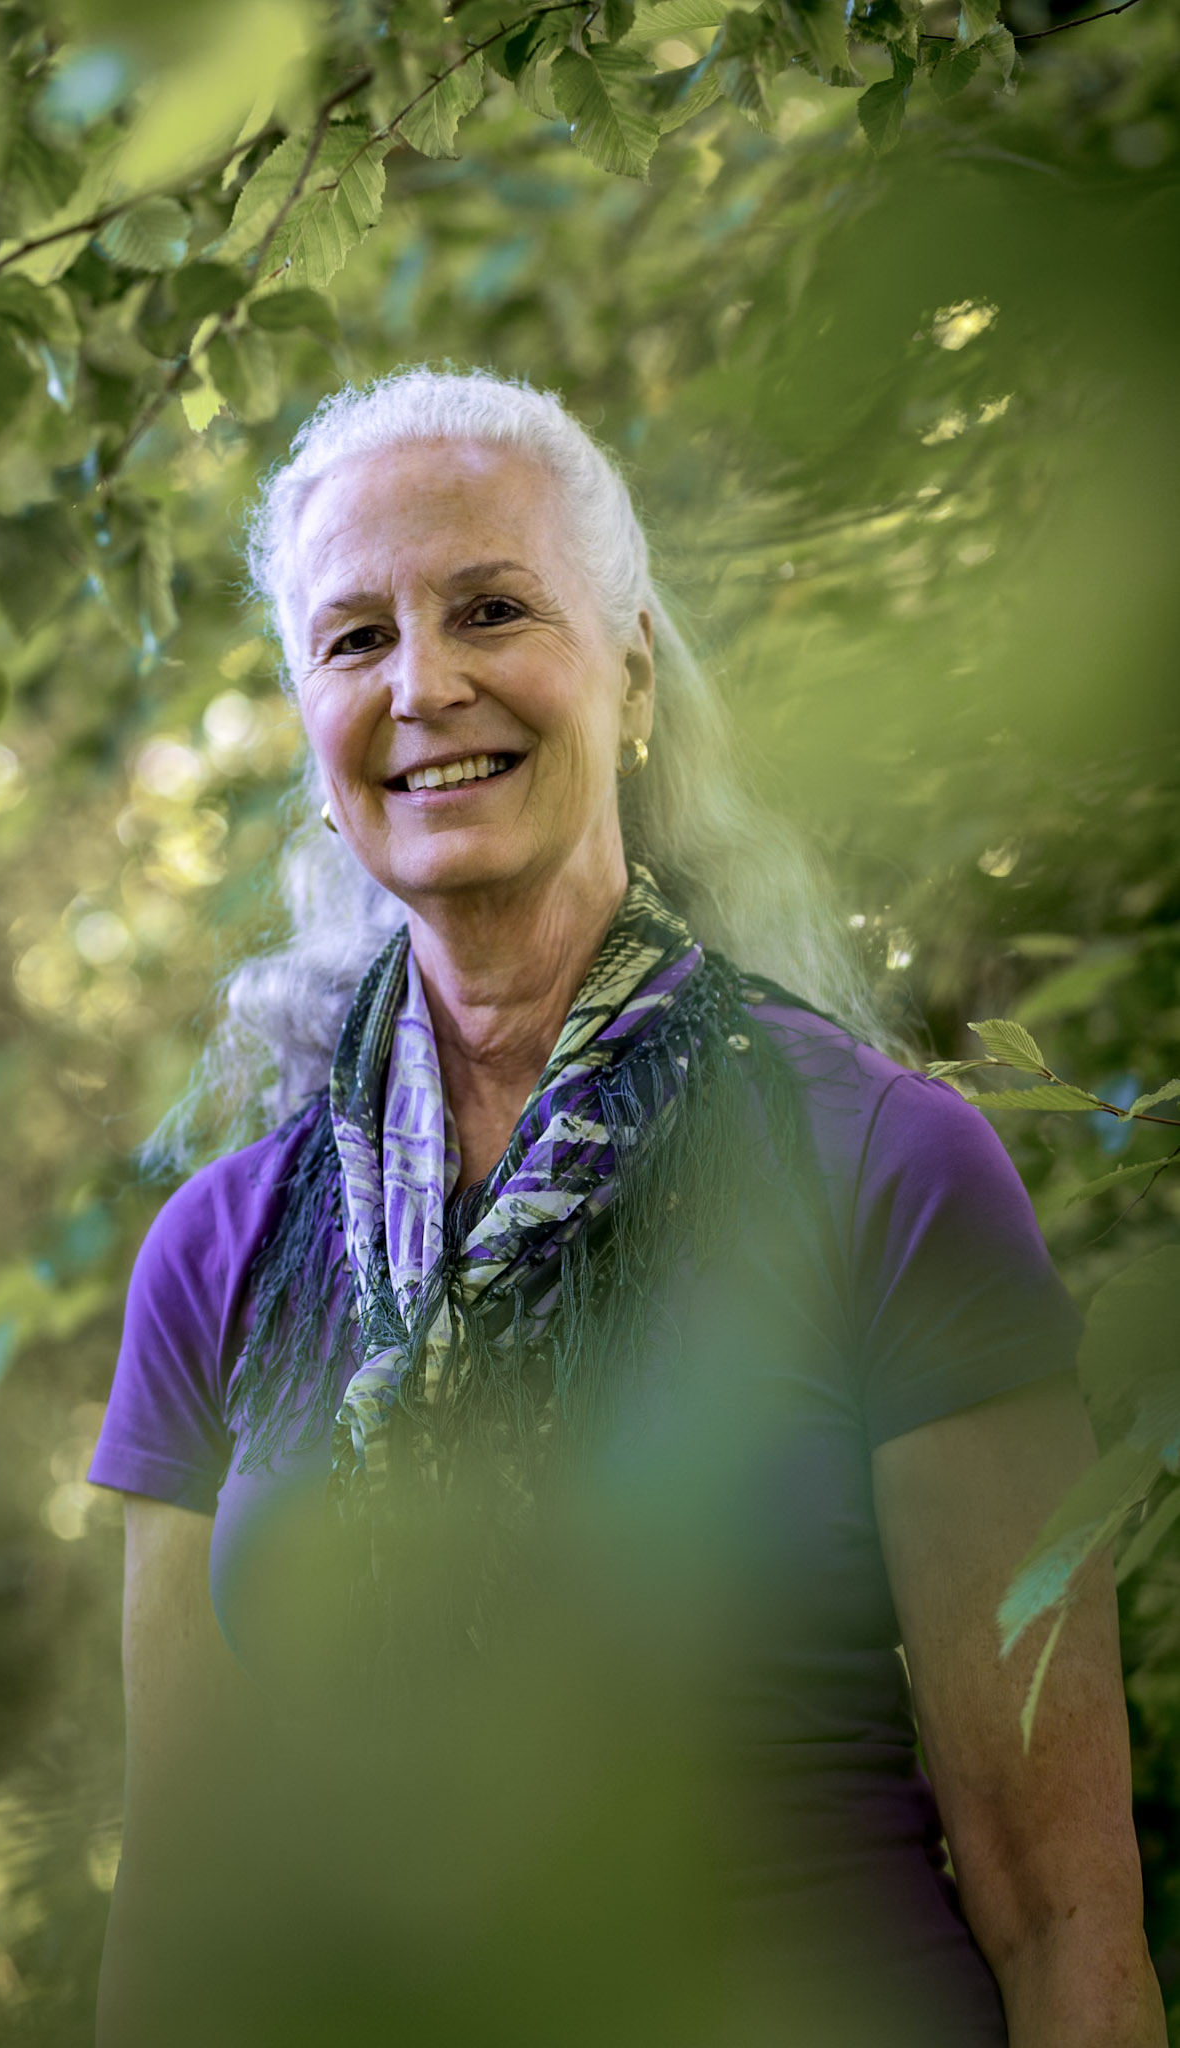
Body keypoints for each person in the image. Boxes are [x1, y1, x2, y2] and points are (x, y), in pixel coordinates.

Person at [89, 368, 1163, 2047]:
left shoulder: (881, 1166)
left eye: (490, 609)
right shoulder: (217, 1255)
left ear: (633, 671)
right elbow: (186, 1938)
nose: (423, 685)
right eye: (353, 639)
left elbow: (1068, 1924)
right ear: (308, 724)